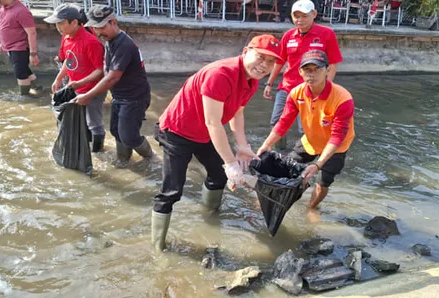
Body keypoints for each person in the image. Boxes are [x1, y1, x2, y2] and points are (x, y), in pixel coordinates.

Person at [151, 34, 282, 252]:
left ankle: (210, 219)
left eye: (271, 62)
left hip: (204, 135)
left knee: (218, 175)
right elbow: (213, 122)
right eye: (260, 57)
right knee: (172, 191)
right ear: (245, 51)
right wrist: (231, 164)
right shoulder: (220, 74)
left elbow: (237, 114)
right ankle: (158, 247)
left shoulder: (251, 79)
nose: (264, 65)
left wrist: (242, 145)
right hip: (176, 133)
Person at [258, 50, 355, 210]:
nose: (312, 74)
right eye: (307, 69)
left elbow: (337, 137)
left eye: (317, 69)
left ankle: (312, 208)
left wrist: (317, 165)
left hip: (336, 147)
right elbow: (283, 123)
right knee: (285, 168)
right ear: (300, 72)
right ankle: (270, 199)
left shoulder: (342, 98)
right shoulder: (296, 93)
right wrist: (266, 145)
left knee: (322, 182)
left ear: (328, 70)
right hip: (310, 141)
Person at [74, 5, 153, 166]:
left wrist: (88, 96)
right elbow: (106, 72)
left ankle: (151, 159)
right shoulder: (110, 41)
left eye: (102, 27)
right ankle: (123, 161)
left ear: (113, 22)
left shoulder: (124, 44)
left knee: (129, 136)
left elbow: (112, 77)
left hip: (134, 98)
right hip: (120, 96)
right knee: (116, 131)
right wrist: (81, 83)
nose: (98, 32)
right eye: (95, 28)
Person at [263, 0, 342, 150]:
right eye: (296, 16)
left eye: (304, 16)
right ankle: (280, 152)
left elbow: (332, 64)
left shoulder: (326, 34)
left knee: (306, 126)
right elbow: (280, 62)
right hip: (287, 87)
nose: (300, 20)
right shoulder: (288, 36)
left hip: (312, 89)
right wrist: (269, 83)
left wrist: (327, 87)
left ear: (314, 14)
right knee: (276, 122)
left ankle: (304, 156)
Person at [44, 4, 107, 152]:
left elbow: (101, 70)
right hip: (75, 87)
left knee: (94, 122)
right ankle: (84, 146)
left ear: (74, 22)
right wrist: (59, 77)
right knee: (77, 119)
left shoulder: (91, 42)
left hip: (93, 89)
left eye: (61, 23)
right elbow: (69, 59)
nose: (57, 27)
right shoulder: (67, 38)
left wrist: (81, 83)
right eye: (56, 23)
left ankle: (97, 152)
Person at [0, 0, 41, 96]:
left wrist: (33, 54)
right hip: (10, 47)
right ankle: (38, 88)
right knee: (24, 69)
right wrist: (3, 42)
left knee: (20, 73)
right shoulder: (3, 7)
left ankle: (25, 97)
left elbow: (32, 33)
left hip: (20, 47)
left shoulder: (21, 11)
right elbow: (4, 24)